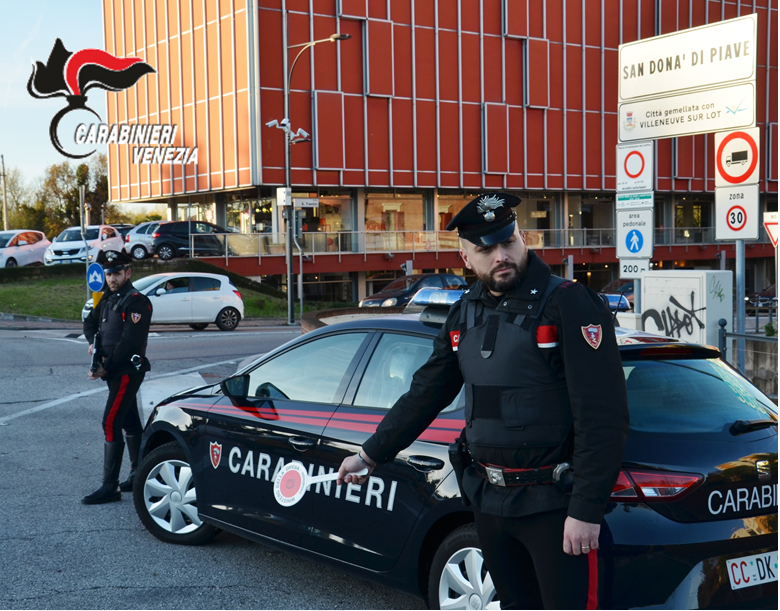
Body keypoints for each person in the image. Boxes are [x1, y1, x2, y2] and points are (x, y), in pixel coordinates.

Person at [338, 192, 629, 609]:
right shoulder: (465, 313)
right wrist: (369, 455)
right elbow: (425, 393)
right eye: (486, 249)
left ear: (523, 238)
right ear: (465, 256)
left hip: (554, 506)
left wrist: (584, 509)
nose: (500, 256)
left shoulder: (568, 303)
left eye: (507, 242)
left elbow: (603, 415)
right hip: (490, 503)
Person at [82, 249, 152, 504]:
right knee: (130, 422)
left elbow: (129, 343)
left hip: (126, 371)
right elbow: (89, 323)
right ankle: (138, 475)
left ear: (128, 273)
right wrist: (93, 344)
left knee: (110, 422)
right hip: (112, 371)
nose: (112, 278)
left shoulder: (137, 301)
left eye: (117, 273)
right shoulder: (108, 299)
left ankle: (110, 487)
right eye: (109, 273)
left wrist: (105, 367)